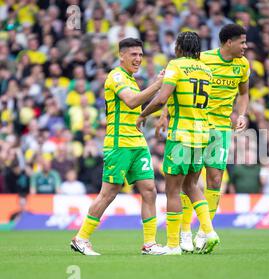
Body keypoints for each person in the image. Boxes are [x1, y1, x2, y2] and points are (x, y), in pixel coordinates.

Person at [156, 24, 249, 253]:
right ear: (229, 42)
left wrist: (242, 114)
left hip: (221, 129)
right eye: (242, 42)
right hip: (199, 123)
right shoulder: (203, 60)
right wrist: (165, 113)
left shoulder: (243, 65)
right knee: (191, 180)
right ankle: (185, 233)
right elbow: (176, 86)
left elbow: (244, 93)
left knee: (215, 180)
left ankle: (203, 233)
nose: (245, 47)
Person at [70, 38, 164, 256]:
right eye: (133, 54)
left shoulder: (133, 80)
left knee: (150, 190)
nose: (138, 59)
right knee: (109, 193)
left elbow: (138, 109)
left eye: (140, 55)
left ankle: (150, 243)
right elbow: (131, 101)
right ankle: (81, 238)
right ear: (121, 55)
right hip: (119, 143)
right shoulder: (117, 76)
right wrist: (158, 85)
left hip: (138, 143)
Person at [136, 31, 219, 255]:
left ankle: (173, 245)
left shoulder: (176, 65)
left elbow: (163, 97)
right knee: (192, 186)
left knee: (172, 191)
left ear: (179, 48)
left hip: (181, 136)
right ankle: (209, 231)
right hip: (202, 136)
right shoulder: (206, 70)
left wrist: (143, 114)